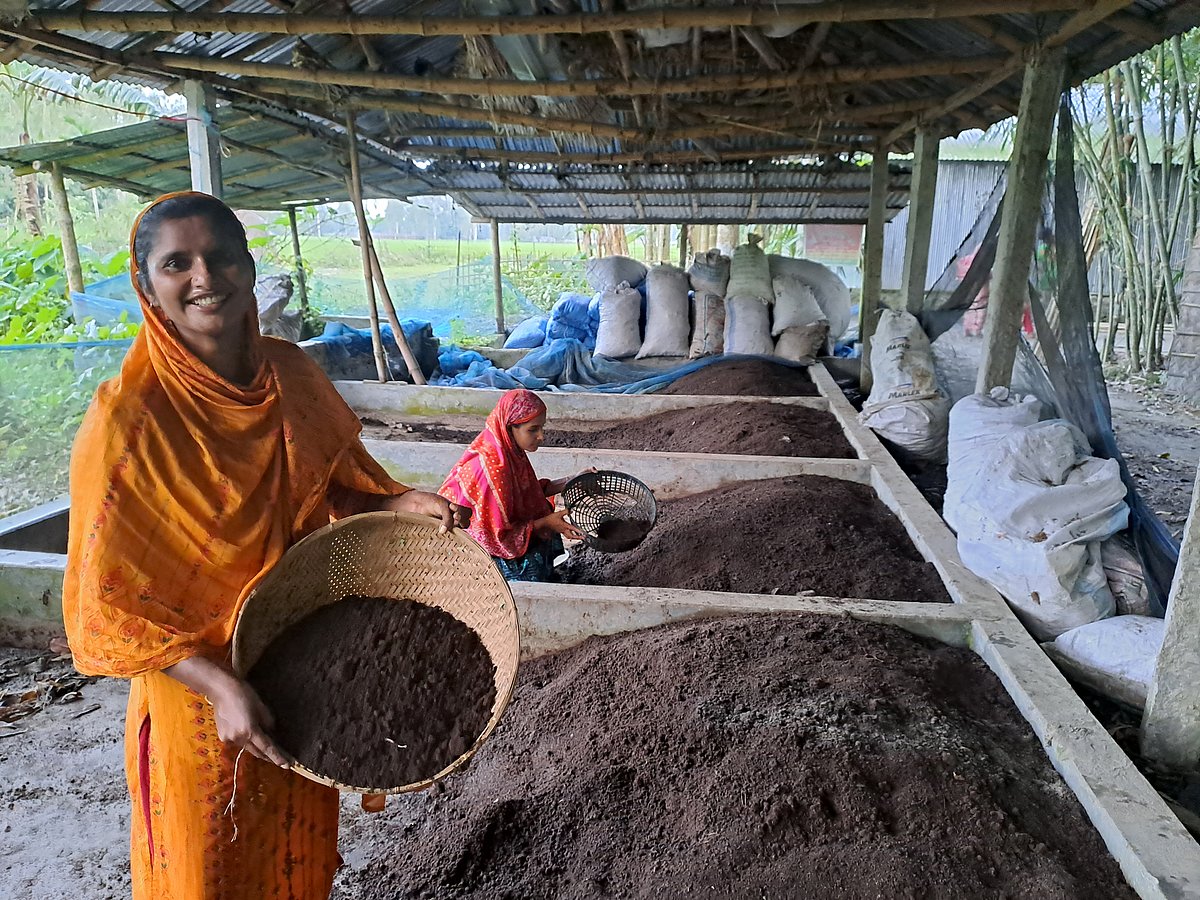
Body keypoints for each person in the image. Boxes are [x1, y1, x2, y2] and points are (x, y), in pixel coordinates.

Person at [62, 191, 468, 900]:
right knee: (211, 863)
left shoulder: (292, 375)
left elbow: (326, 491)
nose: (204, 278)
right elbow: (107, 605)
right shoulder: (128, 423)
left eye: (221, 257)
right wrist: (222, 687)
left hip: (295, 659)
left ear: (249, 269)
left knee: (294, 854)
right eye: (176, 264)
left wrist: (396, 501)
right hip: (202, 693)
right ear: (147, 288)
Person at [439, 388, 590, 582]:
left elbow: (526, 492)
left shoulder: (506, 449)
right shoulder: (494, 470)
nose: (541, 436)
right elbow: (497, 538)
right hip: (473, 552)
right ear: (510, 428)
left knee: (541, 525)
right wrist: (547, 522)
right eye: (533, 429)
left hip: (496, 534)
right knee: (527, 563)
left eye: (542, 428)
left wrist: (573, 480)